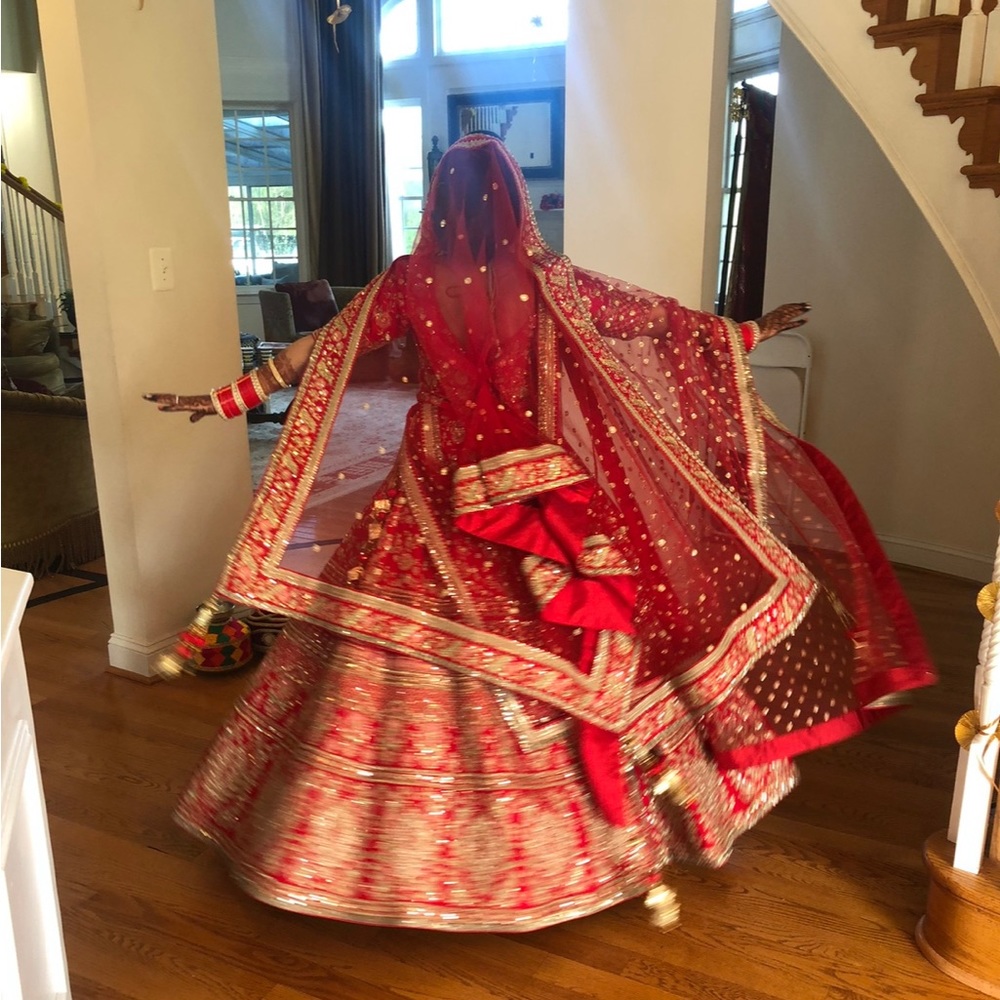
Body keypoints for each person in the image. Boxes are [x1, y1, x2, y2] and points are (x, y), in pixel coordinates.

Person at [144, 133, 935, 932]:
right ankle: (569, 856)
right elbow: (651, 323)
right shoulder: (546, 279)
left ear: (438, 202)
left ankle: (347, 851)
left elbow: (317, 352)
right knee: (575, 638)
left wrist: (226, 399)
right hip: (536, 487)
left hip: (431, 484)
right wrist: (749, 332)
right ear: (514, 200)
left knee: (384, 627)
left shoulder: (408, 280)